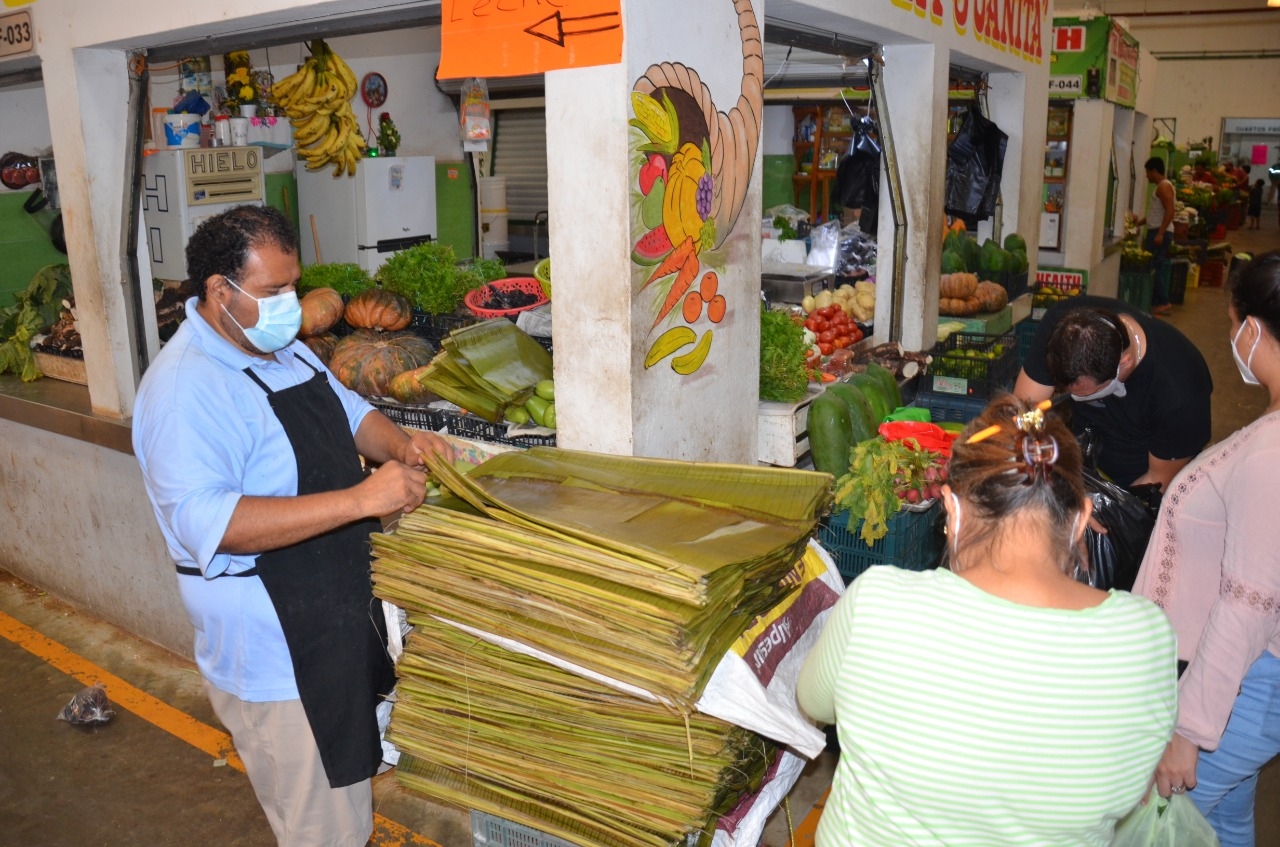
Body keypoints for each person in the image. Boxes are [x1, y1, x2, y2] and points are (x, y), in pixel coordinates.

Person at [133, 205, 449, 847]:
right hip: (276, 649)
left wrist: (401, 447)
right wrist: (364, 499)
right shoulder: (183, 390)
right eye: (273, 291)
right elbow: (212, 521)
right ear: (221, 292)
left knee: (348, 808)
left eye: (293, 285)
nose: (291, 302)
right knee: (321, 830)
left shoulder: (277, 347)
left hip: (332, 617)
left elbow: (347, 408)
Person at [796, 395, 1177, 846]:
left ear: (951, 510)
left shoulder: (876, 602)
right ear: (1082, 520)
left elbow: (815, 702)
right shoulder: (1144, 637)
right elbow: (1130, 785)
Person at [1132, 251, 1280, 847]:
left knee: (1155, 819)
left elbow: (1249, 603)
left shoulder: (1271, 458)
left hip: (1248, 683)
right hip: (1247, 681)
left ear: (1250, 329)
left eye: (1231, 323)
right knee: (1221, 822)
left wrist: (1188, 731)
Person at [1014, 295, 1213, 490]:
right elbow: (1025, 412)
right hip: (1083, 454)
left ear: (1124, 363)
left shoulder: (1179, 395)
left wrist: (1098, 508)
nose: (1075, 398)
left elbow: (1156, 480)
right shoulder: (1065, 328)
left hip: (1139, 472)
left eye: (1085, 394)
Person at [1144, 157, 1177, 317]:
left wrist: (1160, 233)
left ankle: (1163, 302)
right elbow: (1159, 213)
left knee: (1152, 267)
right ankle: (1160, 302)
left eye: (1148, 172)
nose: (1146, 176)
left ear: (1154, 171)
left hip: (1159, 233)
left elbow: (1170, 211)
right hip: (1157, 230)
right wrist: (1141, 222)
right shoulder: (1162, 186)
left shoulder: (1163, 187)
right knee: (1153, 266)